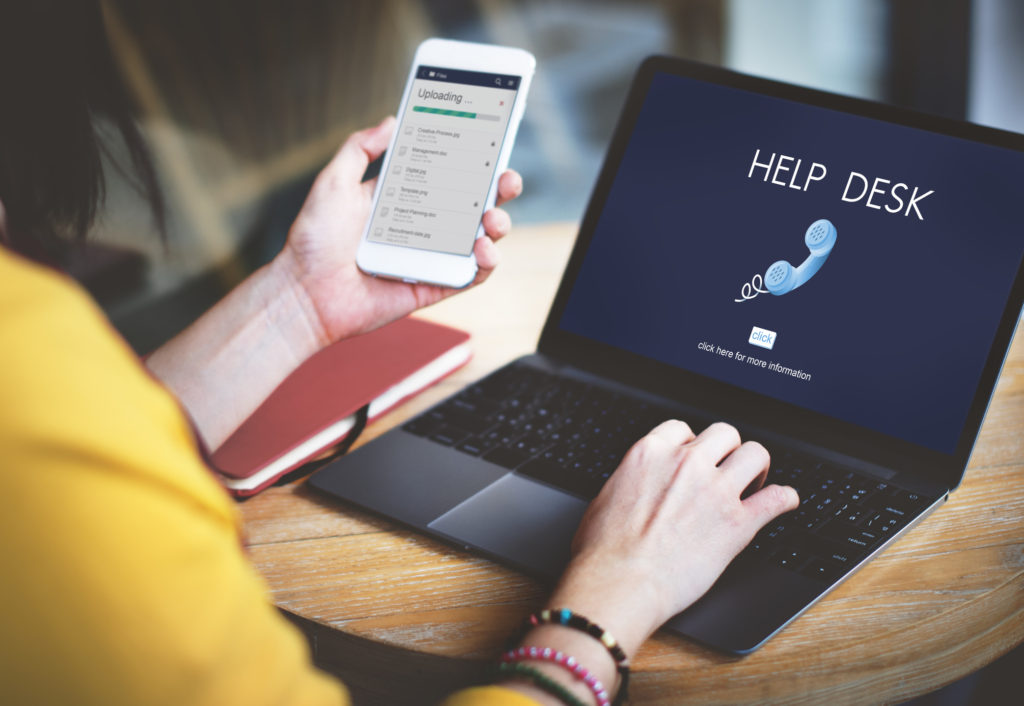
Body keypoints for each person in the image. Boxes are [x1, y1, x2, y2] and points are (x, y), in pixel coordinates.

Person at [0, 4, 798, 705]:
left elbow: (94, 430)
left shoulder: (32, 339)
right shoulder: (27, 374)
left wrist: (300, 299)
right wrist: (621, 587)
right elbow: (60, 460)